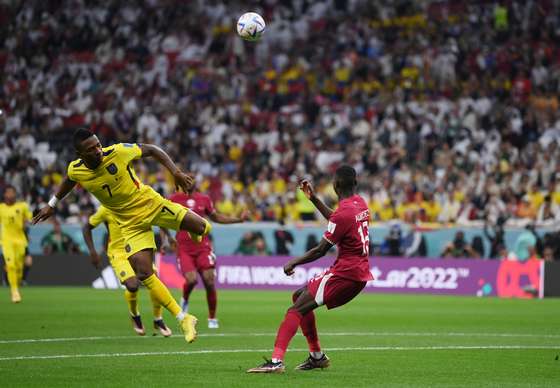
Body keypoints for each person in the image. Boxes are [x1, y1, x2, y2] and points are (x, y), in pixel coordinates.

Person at [33, 128, 211, 343]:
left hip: (150, 204)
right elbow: (69, 181)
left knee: (201, 227)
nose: (98, 150)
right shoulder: (76, 169)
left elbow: (153, 150)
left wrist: (175, 172)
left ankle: (196, 233)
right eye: (91, 149)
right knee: (144, 272)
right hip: (130, 224)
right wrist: (52, 204)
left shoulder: (117, 151)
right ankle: (183, 318)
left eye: (98, 145)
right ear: (80, 155)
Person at [247, 165, 372, 373]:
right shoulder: (360, 204)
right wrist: (313, 199)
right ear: (355, 183)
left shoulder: (344, 213)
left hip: (345, 273)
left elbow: (321, 250)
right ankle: (317, 357)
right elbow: (338, 220)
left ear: (336, 185)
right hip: (358, 273)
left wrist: (293, 262)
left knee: (295, 310)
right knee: (299, 297)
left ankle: (276, 362)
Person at [83, 205, 173, 337]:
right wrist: (92, 251)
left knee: (155, 279)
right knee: (132, 285)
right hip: (118, 253)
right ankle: (135, 315)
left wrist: (167, 239)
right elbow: (86, 227)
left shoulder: (135, 201)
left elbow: (159, 217)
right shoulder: (106, 209)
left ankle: (158, 319)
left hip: (137, 249)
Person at [168, 186, 249, 329]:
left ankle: (212, 318)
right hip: (184, 247)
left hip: (202, 246)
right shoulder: (174, 199)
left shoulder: (204, 199)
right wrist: (166, 238)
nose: (189, 179)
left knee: (209, 281)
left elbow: (216, 217)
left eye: (192, 177)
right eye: (187, 176)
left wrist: (238, 220)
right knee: (191, 280)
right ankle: (185, 300)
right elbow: (162, 217)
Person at [0, 185, 32, 303]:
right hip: (6, 241)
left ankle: (16, 284)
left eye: (12, 192)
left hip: (20, 240)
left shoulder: (22, 206)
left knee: (19, 267)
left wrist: (28, 219)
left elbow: (30, 218)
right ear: (4, 195)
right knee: (10, 265)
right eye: (8, 192)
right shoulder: (1, 208)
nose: (10, 195)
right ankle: (14, 291)